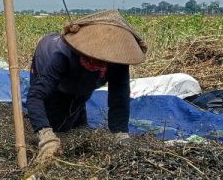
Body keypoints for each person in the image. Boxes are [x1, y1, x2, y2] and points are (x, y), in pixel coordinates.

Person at [26, 9, 147, 163]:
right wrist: (46, 135)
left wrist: (120, 134)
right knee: (58, 126)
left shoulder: (117, 63)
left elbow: (120, 100)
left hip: (81, 85)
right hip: (51, 71)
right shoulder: (62, 55)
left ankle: (79, 116)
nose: (99, 61)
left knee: (77, 105)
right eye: (94, 57)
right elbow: (36, 95)